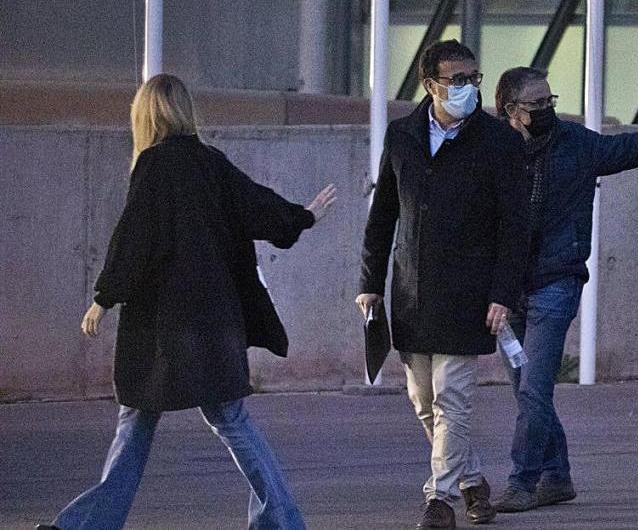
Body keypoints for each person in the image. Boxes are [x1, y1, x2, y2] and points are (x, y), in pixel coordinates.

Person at [38, 74, 336, 530]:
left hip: (163, 327)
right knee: (230, 420)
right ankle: (282, 520)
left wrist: (104, 297)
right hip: (215, 323)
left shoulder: (153, 166)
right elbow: (257, 206)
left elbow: (133, 239)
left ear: (146, 114)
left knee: (135, 424)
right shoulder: (210, 162)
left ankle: (86, 526)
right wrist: (303, 215)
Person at [490, 66, 638, 513]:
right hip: (506, 289)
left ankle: (522, 481)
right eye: (537, 105)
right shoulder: (493, 150)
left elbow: (631, 148)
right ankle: (557, 477)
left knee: (534, 388)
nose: (547, 110)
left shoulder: (575, 144)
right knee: (525, 388)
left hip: (556, 281)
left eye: (550, 101)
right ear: (511, 110)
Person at [356, 41, 529, 530]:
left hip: (469, 295)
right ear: (430, 84)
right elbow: (383, 214)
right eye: (456, 80)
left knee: (453, 396)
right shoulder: (403, 135)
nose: (468, 88)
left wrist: (503, 293)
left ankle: (440, 500)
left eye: (473, 78)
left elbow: (515, 227)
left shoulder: (499, 142)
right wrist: (369, 281)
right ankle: (472, 481)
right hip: (412, 292)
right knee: (424, 402)